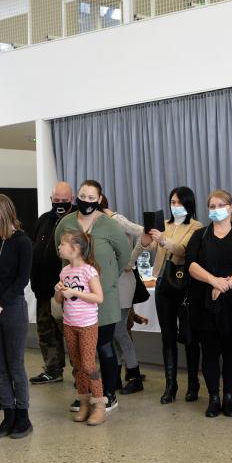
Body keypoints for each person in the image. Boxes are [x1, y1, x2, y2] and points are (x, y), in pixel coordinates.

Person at [54, 180, 131, 411]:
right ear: (76, 197)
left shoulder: (109, 225)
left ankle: (108, 394)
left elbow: (124, 254)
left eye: (91, 197)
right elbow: (60, 251)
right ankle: (84, 394)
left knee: (104, 347)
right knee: (78, 353)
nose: (86, 201)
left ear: (99, 199)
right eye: (82, 196)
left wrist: (108, 278)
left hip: (103, 297)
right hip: (75, 302)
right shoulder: (66, 222)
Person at [187, 189, 232, 417]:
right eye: (212, 206)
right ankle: (213, 398)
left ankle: (228, 397)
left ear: (231, 207)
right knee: (209, 353)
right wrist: (213, 281)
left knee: (231, 353)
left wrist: (225, 284)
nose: (216, 210)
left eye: (220, 205)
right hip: (204, 303)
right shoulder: (199, 236)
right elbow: (191, 265)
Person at [132, 186, 203, 403]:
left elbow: (184, 250)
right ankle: (170, 385)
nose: (175, 206)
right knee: (168, 336)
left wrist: (164, 240)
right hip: (163, 283)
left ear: (189, 204)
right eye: (172, 202)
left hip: (185, 285)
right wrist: (146, 240)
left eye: (179, 202)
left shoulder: (196, 226)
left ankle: (193, 383)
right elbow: (150, 247)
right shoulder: (164, 224)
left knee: (190, 337)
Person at [0, 194, 34, 439]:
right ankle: (8, 415)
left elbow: (22, 279)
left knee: (15, 366)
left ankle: (23, 417)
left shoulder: (22, 242)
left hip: (12, 309)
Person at [55, 230, 107, 426]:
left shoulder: (88, 271)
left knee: (88, 365)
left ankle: (99, 405)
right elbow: (59, 300)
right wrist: (59, 292)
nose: (59, 247)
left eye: (62, 244)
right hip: (69, 324)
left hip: (87, 325)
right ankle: (84, 403)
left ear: (75, 248)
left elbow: (98, 297)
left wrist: (75, 292)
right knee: (77, 366)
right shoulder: (65, 271)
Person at [29, 181, 75, 384]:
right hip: (42, 286)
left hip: (66, 289)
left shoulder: (75, 219)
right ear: (51, 199)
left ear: (72, 199)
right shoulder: (44, 219)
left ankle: (81, 374)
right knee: (46, 332)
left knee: (71, 334)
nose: (60, 203)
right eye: (56, 200)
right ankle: (52, 369)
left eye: (64, 200)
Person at [98, 196, 144, 396]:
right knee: (113, 333)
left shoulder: (116, 219)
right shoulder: (103, 222)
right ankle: (114, 376)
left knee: (119, 331)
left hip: (123, 282)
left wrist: (130, 261)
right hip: (111, 283)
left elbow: (143, 232)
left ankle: (134, 375)